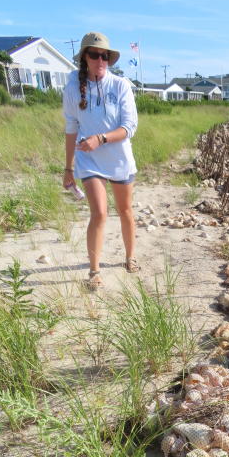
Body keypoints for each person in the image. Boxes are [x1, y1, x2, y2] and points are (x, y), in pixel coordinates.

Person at [62, 32, 139, 290]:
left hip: (119, 159)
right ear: (84, 57)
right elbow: (71, 127)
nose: (100, 60)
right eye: (94, 55)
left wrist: (101, 139)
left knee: (125, 210)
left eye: (105, 55)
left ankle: (130, 257)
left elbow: (129, 127)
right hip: (89, 160)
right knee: (99, 213)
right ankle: (94, 271)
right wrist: (68, 167)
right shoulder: (72, 86)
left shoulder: (121, 85)